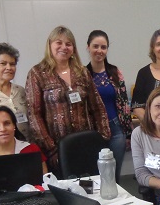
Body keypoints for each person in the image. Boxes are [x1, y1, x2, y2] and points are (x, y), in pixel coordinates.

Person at [26, 26, 111, 175]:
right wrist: (51, 149)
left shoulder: (82, 72)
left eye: (68, 44)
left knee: (90, 188)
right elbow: (34, 113)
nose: (64, 47)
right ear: (50, 45)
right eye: (59, 43)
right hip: (56, 149)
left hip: (86, 145)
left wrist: (102, 139)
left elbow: (97, 106)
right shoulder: (37, 73)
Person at [86, 30, 133, 182]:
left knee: (115, 173)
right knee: (97, 174)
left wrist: (127, 133)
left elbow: (124, 103)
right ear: (88, 48)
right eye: (95, 46)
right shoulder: (83, 74)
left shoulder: (114, 72)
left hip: (116, 130)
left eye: (103, 47)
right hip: (94, 131)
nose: (99, 51)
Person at [0, 105, 48, 174]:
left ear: (14, 125)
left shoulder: (31, 150)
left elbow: (45, 182)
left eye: (7, 123)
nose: (3, 129)